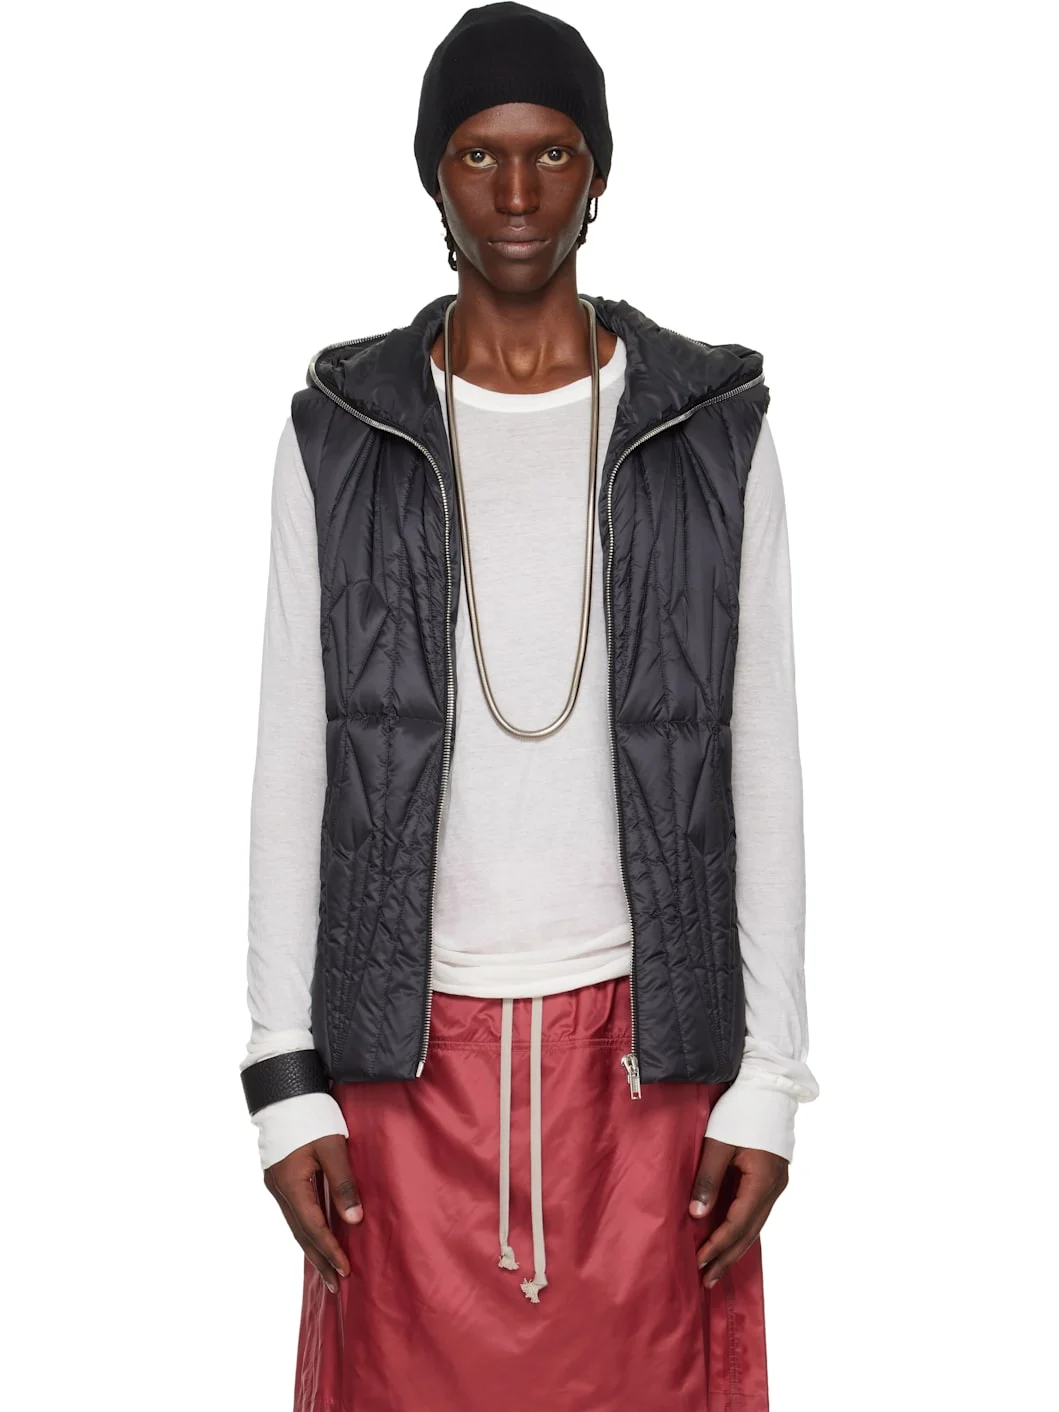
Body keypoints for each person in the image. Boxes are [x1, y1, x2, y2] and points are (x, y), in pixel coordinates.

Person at [240, 4, 819, 1408]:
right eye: (479, 155)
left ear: (597, 173)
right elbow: (293, 761)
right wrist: (282, 1077)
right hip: (399, 1047)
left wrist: (773, 1074)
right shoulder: (342, 431)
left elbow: (761, 756)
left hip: (650, 1046)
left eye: (552, 153)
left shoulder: (708, 428)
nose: (515, 194)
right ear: (432, 173)